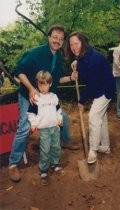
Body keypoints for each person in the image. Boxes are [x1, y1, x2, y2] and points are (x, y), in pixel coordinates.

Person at [8, 24, 78, 183]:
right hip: (29, 95)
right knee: (25, 126)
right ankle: (13, 164)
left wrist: (70, 78)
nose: (57, 41)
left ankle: (64, 141)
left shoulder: (59, 58)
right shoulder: (35, 53)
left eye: (61, 39)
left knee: (63, 118)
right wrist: (32, 89)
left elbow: (56, 80)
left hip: (47, 98)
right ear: (49, 37)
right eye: (55, 37)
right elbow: (18, 71)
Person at [65, 31, 115, 164]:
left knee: (93, 116)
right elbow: (82, 63)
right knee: (101, 118)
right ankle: (105, 146)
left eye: (76, 43)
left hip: (104, 89)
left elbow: (92, 86)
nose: (74, 47)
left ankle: (93, 150)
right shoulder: (84, 55)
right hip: (99, 88)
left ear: (83, 43)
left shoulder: (93, 59)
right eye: (71, 45)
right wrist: (76, 63)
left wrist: (81, 101)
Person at [27, 71, 63, 185]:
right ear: (37, 84)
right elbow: (30, 113)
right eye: (40, 85)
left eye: (45, 84)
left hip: (55, 127)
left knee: (56, 147)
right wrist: (33, 124)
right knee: (45, 149)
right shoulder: (36, 98)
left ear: (50, 84)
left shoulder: (54, 97)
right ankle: (43, 170)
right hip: (44, 129)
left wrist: (60, 118)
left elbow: (58, 110)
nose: (43, 87)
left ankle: (55, 164)